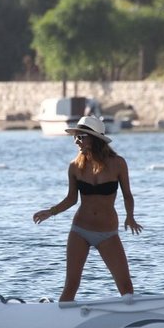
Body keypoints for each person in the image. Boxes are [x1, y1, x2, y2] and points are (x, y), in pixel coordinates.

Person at [33, 116, 142, 302]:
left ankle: (133, 316)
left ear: (95, 138)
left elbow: (127, 195)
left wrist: (130, 216)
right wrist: (50, 212)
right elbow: (71, 199)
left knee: (126, 286)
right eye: (75, 137)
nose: (76, 141)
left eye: (81, 137)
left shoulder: (118, 163)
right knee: (71, 285)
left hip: (107, 233)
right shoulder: (75, 167)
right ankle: (59, 317)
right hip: (80, 231)